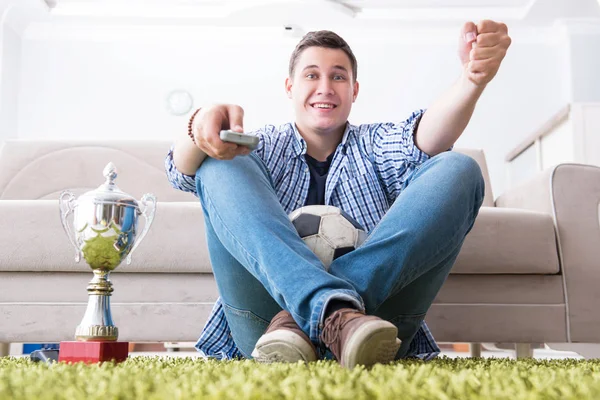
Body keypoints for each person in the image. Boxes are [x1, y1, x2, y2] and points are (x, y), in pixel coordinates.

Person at [165, 21, 511, 369]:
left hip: (374, 323)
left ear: (354, 90)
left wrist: (471, 80)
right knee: (218, 164)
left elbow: (426, 140)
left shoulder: (376, 146)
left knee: (459, 169)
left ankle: (324, 315)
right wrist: (197, 128)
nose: (325, 88)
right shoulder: (263, 146)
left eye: (338, 77)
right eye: (312, 75)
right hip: (265, 325)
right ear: (290, 87)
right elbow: (179, 172)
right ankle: (332, 313)